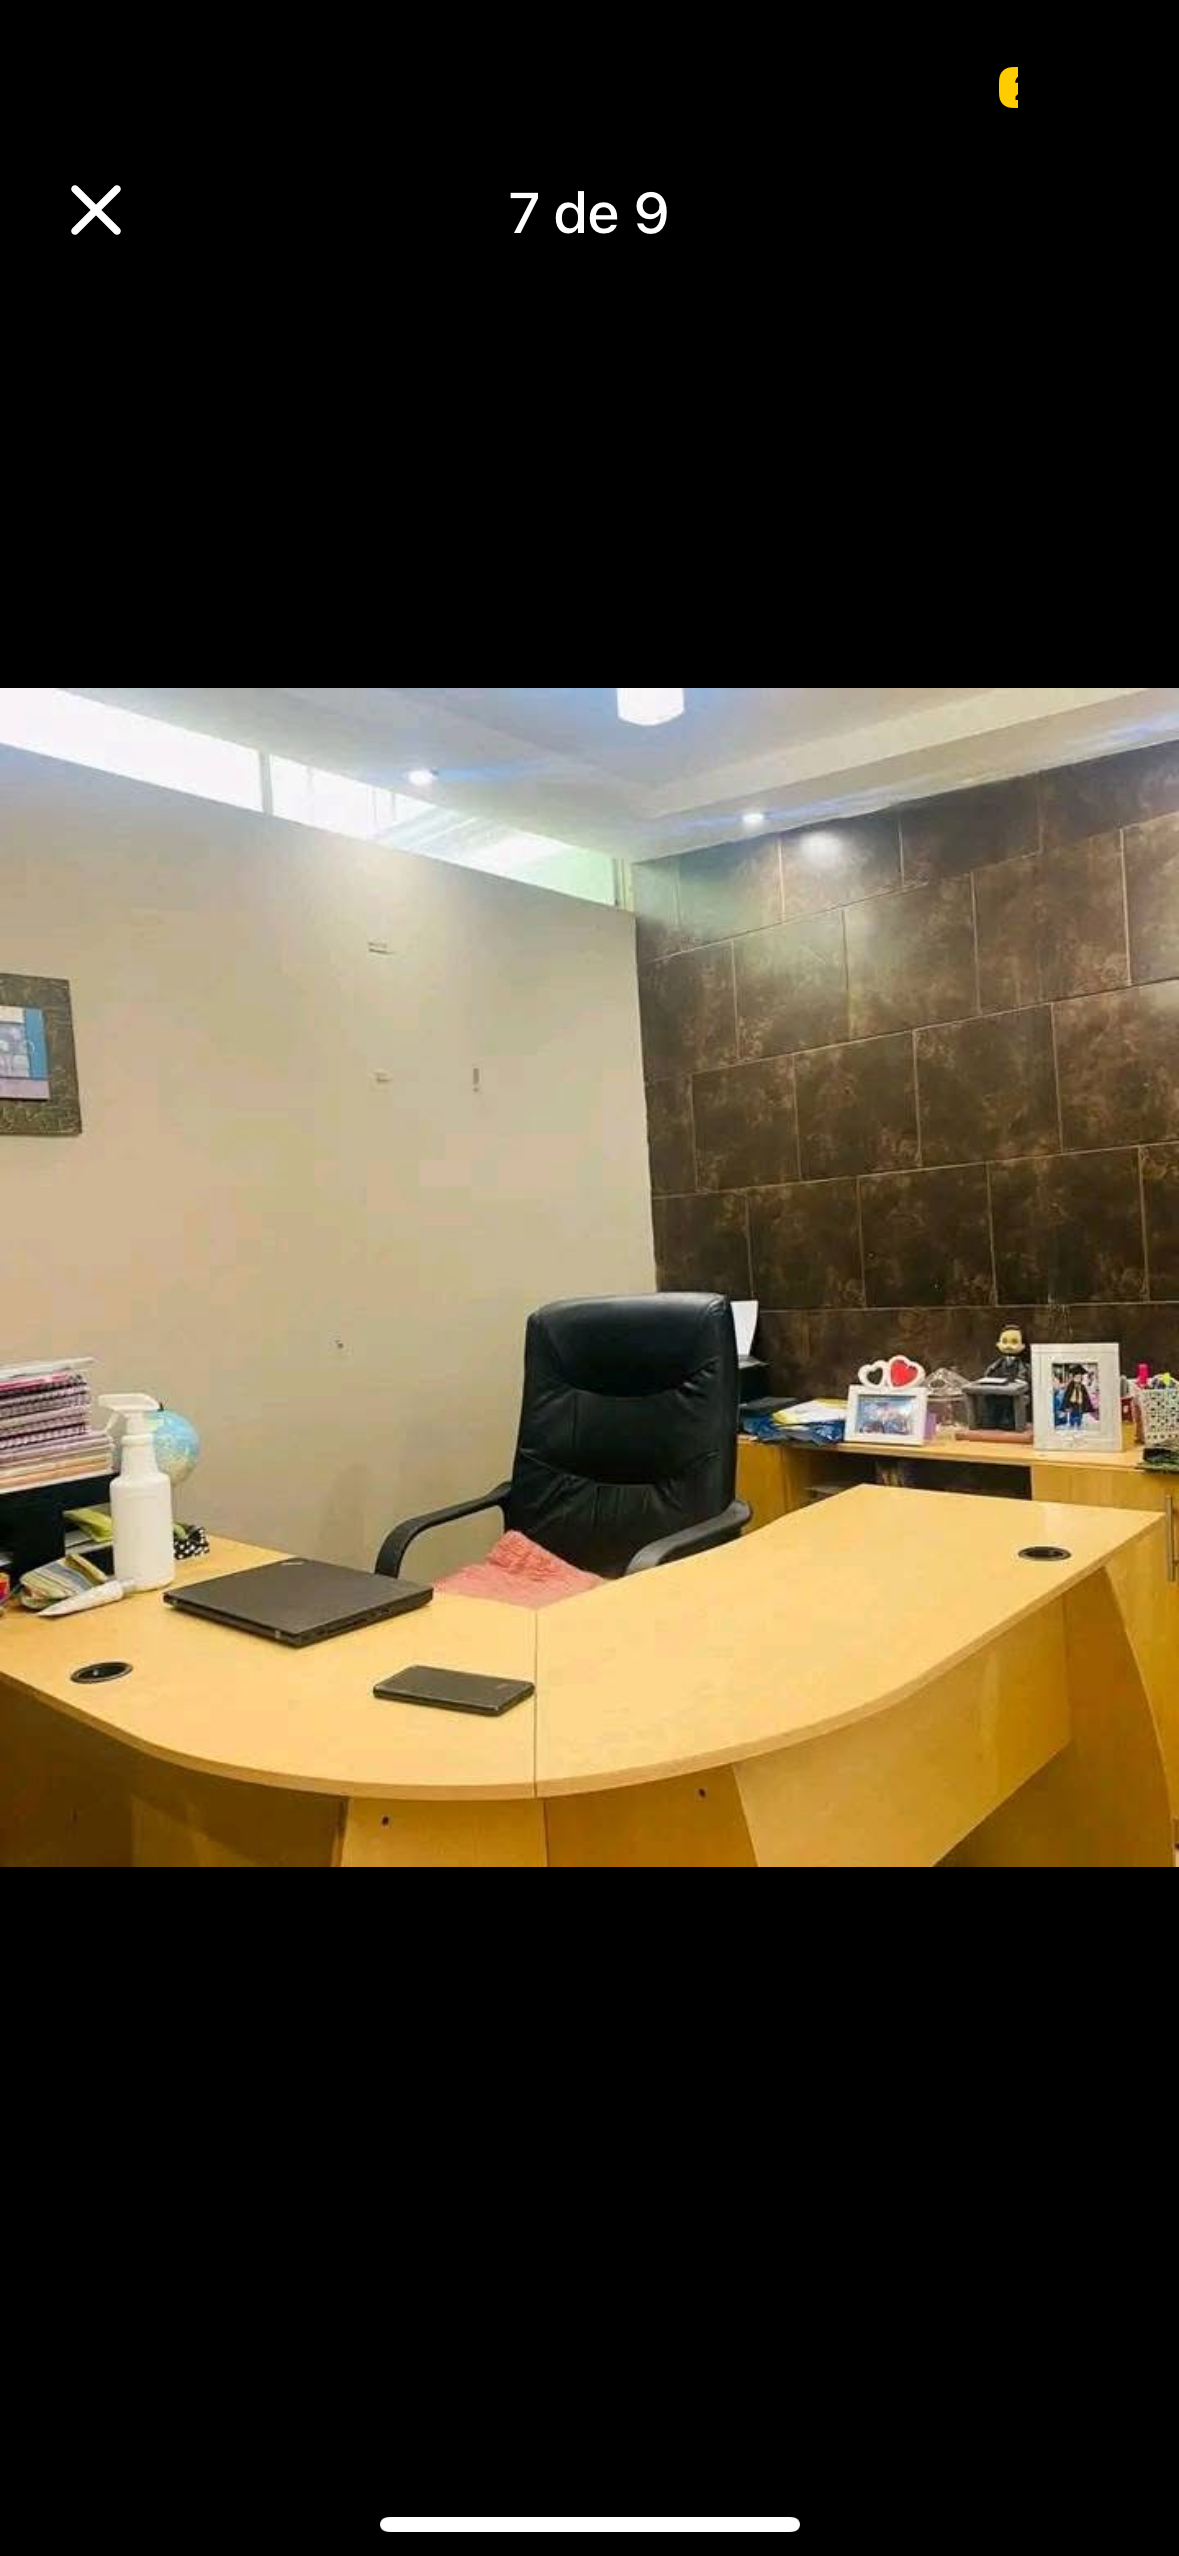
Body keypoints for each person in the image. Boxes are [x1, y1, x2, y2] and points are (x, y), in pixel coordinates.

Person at [1061, 1363, 1096, 1429]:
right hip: (1072, 1404)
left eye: (1079, 1377)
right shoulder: (1070, 1386)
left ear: (1081, 1378)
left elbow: (1085, 1396)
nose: (1078, 1379)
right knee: (1072, 1415)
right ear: (1073, 1377)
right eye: (1076, 1377)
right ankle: (1072, 1424)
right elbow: (1067, 1395)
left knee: (1079, 1415)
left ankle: (1079, 1424)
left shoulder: (1082, 1386)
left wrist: (1087, 1405)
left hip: (1080, 1404)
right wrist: (1066, 1405)